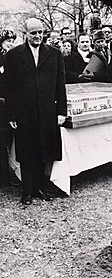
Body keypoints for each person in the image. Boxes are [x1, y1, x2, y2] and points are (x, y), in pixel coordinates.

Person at [4, 18, 67, 205]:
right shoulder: (14, 55)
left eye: (40, 32)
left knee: (44, 150)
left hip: (47, 111)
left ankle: (39, 188)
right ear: (26, 34)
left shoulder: (54, 54)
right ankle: (27, 191)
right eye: (33, 33)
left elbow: (60, 84)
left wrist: (61, 112)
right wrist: (12, 114)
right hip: (25, 112)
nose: (38, 36)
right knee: (26, 151)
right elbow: (9, 88)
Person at [0, 30, 17, 187]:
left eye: (12, 41)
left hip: (10, 104)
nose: (10, 44)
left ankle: (8, 174)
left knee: (8, 139)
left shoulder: (14, 58)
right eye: (7, 41)